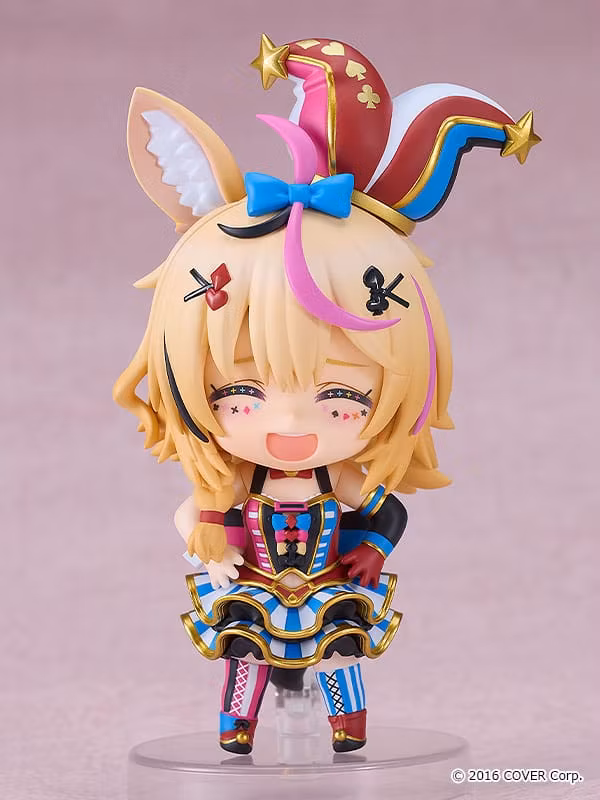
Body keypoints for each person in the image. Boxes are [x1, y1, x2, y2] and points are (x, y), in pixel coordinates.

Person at [114, 34, 539, 754]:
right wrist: (207, 541)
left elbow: (386, 507)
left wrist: (371, 547)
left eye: (340, 398)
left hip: (328, 586)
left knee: (342, 650)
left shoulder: (334, 479)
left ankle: (348, 727)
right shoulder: (234, 483)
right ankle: (237, 728)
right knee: (243, 652)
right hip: (253, 586)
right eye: (241, 396)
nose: (289, 424)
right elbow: (194, 512)